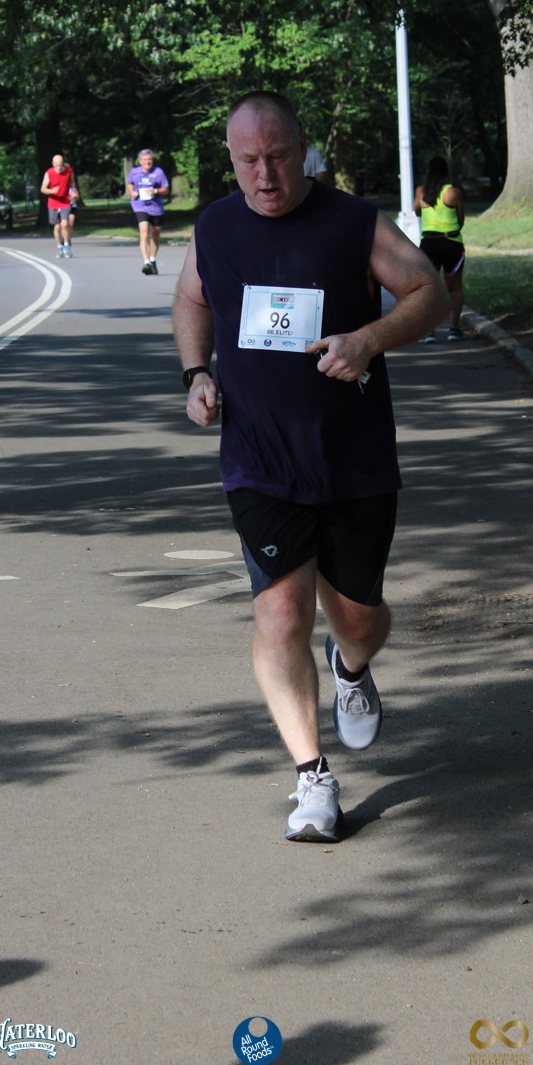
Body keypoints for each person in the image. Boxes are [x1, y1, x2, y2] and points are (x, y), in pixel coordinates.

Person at [173, 91, 447, 842]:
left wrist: (368, 340)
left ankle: (351, 667)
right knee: (280, 612)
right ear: (231, 160)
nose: (265, 175)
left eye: (278, 157)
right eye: (248, 161)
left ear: (304, 148)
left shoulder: (353, 221)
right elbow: (192, 299)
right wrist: (196, 374)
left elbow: (429, 292)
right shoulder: (216, 226)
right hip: (259, 460)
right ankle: (312, 778)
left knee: (356, 618)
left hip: (353, 460)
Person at [414, 156, 466, 342]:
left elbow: (417, 211)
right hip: (451, 243)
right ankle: (454, 329)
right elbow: (461, 219)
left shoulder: (421, 192)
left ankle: (429, 332)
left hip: (429, 245)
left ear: (428, 171)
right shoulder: (453, 193)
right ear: (446, 173)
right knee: (455, 287)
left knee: (428, 288)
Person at [127, 148, 169, 274]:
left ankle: (152, 260)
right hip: (140, 205)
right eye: (145, 160)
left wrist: (155, 191)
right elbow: (130, 183)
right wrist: (132, 192)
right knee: (144, 232)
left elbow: (166, 189)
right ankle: (146, 262)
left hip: (156, 206)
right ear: (140, 161)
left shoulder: (158, 172)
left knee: (155, 234)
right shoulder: (134, 172)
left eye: (150, 159)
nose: (147, 162)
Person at [39, 153, 78, 258]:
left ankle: (67, 245)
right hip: (53, 202)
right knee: (57, 227)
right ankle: (59, 247)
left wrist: (74, 192)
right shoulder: (49, 173)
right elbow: (43, 189)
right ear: (53, 164)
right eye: (57, 165)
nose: (59, 167)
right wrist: (52, 191)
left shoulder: (69, 171)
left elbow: (72, 183)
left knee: (65, 224)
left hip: (65, 201)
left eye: (61, 165)